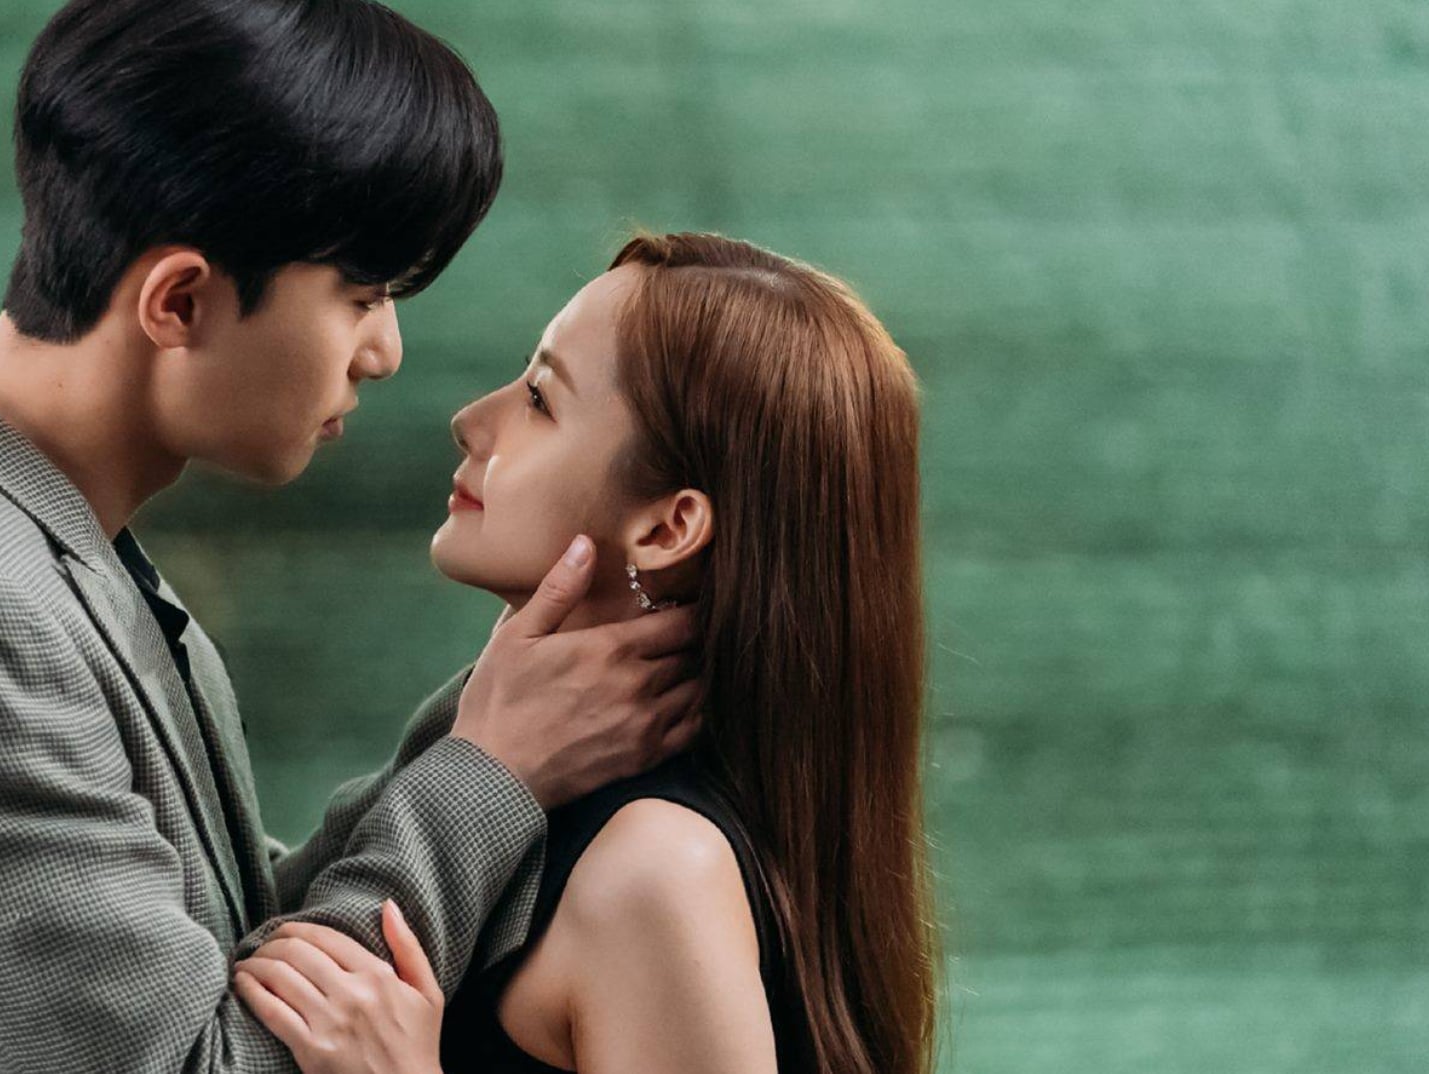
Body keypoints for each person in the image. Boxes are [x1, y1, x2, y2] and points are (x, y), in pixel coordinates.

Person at [0, 3, 704, 1072]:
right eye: (361, 295)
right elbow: (205, 1056)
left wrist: (491, 728)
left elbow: (218, 936)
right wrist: (492, 773)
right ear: (181, 302)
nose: (384, 351)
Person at [232, 232, 941, 1074]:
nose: (471, 421)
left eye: (540, 398)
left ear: (667, 528)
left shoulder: (657, 873)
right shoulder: (536, 798)